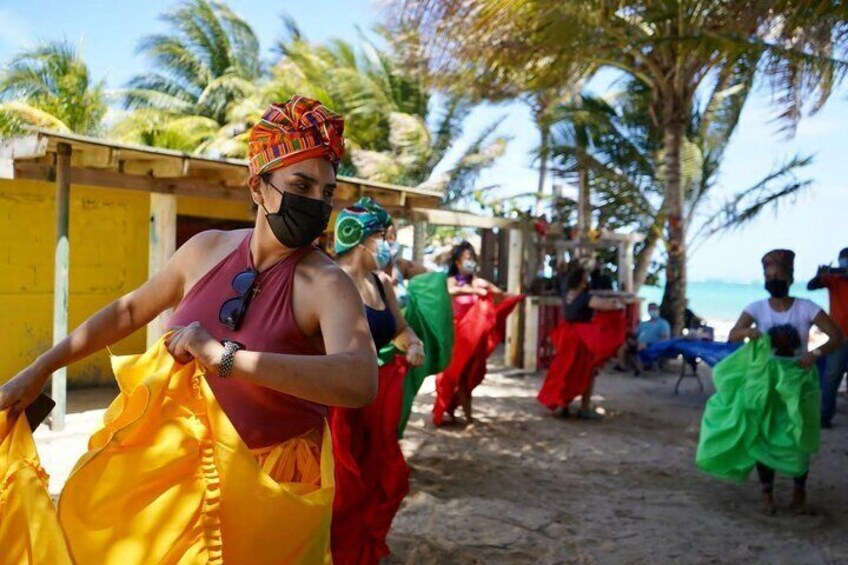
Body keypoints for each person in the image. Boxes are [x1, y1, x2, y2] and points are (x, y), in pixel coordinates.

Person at [0, 97, 378, 562]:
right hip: (177, 472)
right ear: (257, 186)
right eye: (301, 184)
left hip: (269, 486)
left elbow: (359, 379)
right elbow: (127, 311)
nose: (316, 203)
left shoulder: (327, 284)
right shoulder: (205, 250)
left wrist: (225, 359)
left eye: (326, 193)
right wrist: (39, 369)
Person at [331, 198, 424, 564]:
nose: (390, 245)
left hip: (375, 401)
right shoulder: (324, 279)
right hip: (336, 403)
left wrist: (413, 343)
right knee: (342, 486)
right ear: (361, 239)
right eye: (385, 237)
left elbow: (399, 330)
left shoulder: (383, 283)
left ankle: (359, 551)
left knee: (384, 479)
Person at [727, 249, 844, 514]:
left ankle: (799, 488)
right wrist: (748, 331)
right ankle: (767, 493)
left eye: (778, 275)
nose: (773, 280)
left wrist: (814, 354)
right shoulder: (756, 308)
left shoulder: (806, 308)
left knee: (797, 435)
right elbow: (733, 335)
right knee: (763, 434)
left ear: (790, 278)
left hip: (798, 380)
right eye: (768, 276)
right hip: (765, 381)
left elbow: (836, 336)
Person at [433, 241, 523, 425]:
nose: (471, 262)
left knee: (468, 374)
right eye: (467, 258)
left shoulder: (480, 282)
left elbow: (500, 295)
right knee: (450, 375)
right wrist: (474, 290)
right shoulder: (452, 280)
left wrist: (513, 296)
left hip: (473, 340)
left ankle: (467, 415)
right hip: (456, 337)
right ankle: (449, 410)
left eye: (473, 258)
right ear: (458, 262)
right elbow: (450, 291)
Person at [538, 265, 626, 419]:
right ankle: (584, 408)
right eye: (585, 277)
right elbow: (605, 305)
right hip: (581, 337)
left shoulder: (566, 293)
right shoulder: (586, 297)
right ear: (581, 281)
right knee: (587, 370)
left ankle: (563, 405)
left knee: (566, 370)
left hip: (566, 335)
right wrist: (617, 303)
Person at [808, 247, 848, 428]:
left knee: (832, 377)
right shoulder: (833, 279)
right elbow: (811, 286)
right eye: (843, 260)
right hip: (838, 337)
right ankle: (824, 417)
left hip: (838, 337)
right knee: (831, 377)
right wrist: (820, 275)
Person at [616, 302, 671, 376]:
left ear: (658, 310)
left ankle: (639, 369)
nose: (652, 311)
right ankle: (622, 367)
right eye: (650, 309)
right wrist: (632, 340)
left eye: (654, 308)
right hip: (639, 343)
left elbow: (665, 339)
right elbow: (635, 334)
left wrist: (650, 344)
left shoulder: (663, 323)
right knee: (624, 346)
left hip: (653, 345)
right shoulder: (643, 323)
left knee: (640, 347)